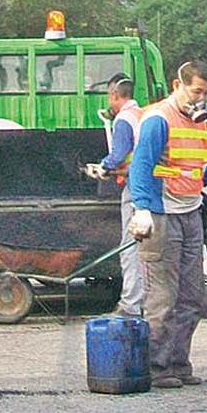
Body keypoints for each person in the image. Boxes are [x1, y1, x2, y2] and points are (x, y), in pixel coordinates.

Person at [126, 62, 207, 389]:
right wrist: (142, 208)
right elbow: (141, 166)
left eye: (205, 93)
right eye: (196, 91)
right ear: (177, 85)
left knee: (192, 296)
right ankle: (157, 367)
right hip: (162, 214)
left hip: (190, 212)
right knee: (163, 297)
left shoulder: (199, 122)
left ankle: (179, 363)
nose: (200, 98)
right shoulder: (158, 119)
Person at [85, 75, 145, 317]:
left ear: (113, 95)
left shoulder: (123, 119)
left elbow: (119, 154)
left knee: (129, 247)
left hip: (135, 187)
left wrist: (103, 166)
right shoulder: (142, 114)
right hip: (151, 184)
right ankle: (148, 301)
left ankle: (130, 304)